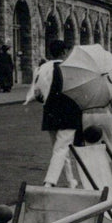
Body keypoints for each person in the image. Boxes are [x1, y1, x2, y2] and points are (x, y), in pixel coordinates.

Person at [30, 39, 82, 188]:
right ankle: (50, 181)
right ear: (64, 51)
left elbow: (38, 94)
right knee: (61, 149)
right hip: (68, 114)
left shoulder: (44, 68)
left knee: (60, 149)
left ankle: (70, 180)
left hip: (50, 113)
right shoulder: (70, 69)